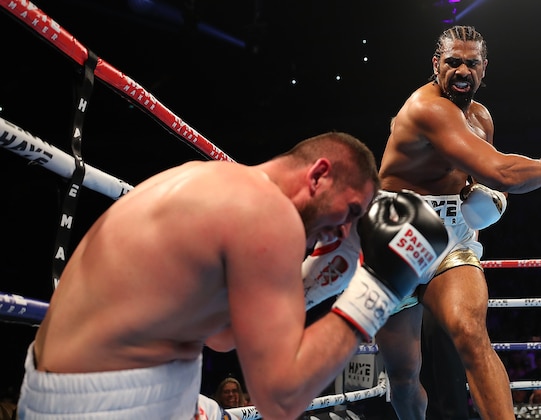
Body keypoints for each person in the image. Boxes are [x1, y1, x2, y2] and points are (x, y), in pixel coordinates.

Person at [17, 131, 451, 420]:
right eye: (351, 211)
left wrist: (325, 277)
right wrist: (378, 288)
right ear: (319, 174)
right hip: (106, 404)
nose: (343, 230)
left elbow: (223, 335)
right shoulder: (268, 214)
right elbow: (281, 399)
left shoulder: (222, 185)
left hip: (82, 390)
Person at [371, 25, 541, 419]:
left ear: (484, 68)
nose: (463, 71)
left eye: (472, 63)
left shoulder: (480, 118)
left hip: (450, 241)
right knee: (404, 378)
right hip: (395, 237)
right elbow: (503, 172)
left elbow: (490, 183)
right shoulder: (426, 108)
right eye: (453, 62)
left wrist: (493, 202)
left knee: (472, 335)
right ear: (436, 65)